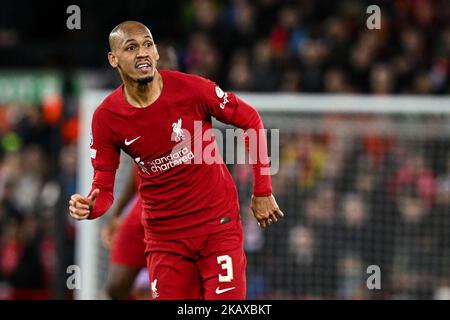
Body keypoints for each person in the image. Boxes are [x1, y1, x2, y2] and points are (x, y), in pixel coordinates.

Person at [68, 21, 284, 300]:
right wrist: (91, 206)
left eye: (148, 44)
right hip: (165, 239)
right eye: (131, 47)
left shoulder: (191, 89)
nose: (142, 52)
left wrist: (263, 191)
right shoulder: (107, 117)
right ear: (113, 59)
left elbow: (250, 119)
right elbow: (104, 187)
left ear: (156, 53)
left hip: (216, 226)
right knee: (116, 288)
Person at [101, 45, 180, 300]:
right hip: (145, 205)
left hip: (180, 208)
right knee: (115, 286)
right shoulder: (137, 108)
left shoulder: (188, 105)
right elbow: (139, 170)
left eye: (169, 64)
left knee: (168, 289)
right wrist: (117, 212)